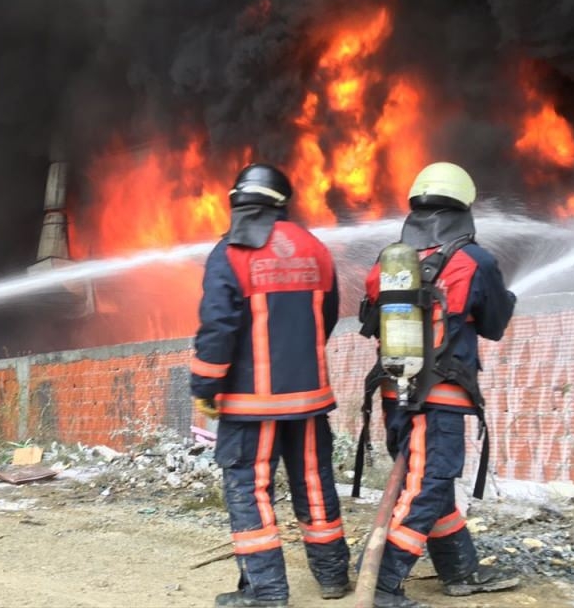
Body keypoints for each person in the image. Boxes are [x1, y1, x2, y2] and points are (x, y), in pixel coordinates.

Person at [357, 162, 520, 608]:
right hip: (441, 400)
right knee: (429, 484)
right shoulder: (475, 260)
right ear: (464, 207)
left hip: (395, 398)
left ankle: (459, 570)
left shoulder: (388, 263)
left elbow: (370, 323)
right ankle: (383, 581)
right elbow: (494, 325)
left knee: (428, 484)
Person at [191, 164, 350, 607]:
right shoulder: (314, 248)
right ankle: (333, 577)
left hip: (249, 403)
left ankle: (266, 592)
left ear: (237, 200)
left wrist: (205, 383)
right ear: (283, 201)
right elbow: (329, 316)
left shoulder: (229, 253)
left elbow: (218, 328)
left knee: (250, 490)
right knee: (315, 484)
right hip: (310, 398)